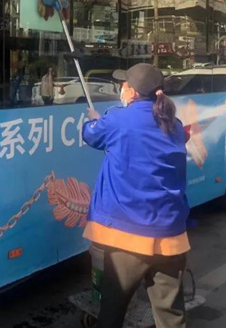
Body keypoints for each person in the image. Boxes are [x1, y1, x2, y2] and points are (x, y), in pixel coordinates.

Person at [82, 63, 190, 328]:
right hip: (170, 237)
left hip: (127, 238)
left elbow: (90, 135)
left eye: (124, 84)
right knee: (171, 316)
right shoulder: (174, 125)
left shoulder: (118, 120)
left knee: (112, 311)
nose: (121, 88)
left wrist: (95, 120)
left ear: (131, 92)